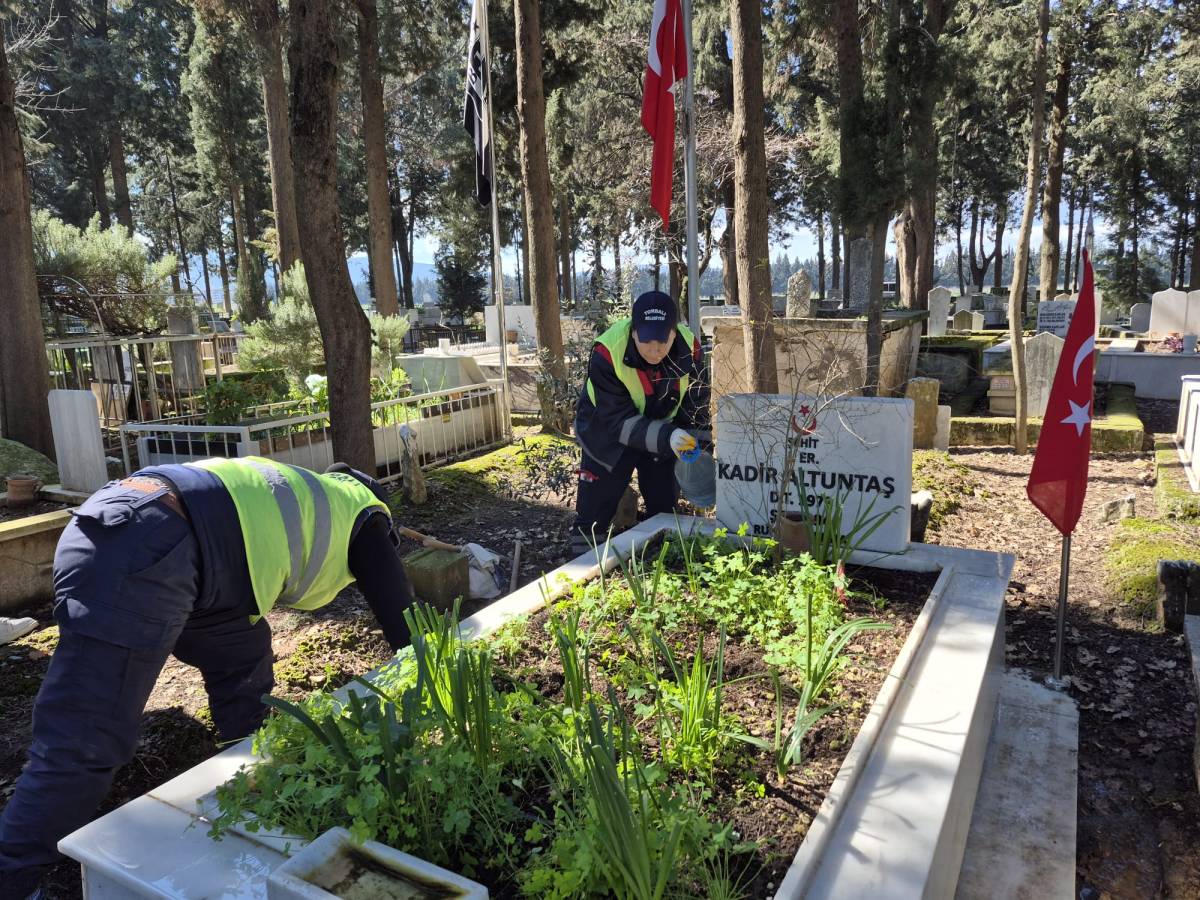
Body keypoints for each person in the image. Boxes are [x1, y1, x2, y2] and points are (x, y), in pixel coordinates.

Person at [0, 457, 415, 899]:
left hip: (171, 542)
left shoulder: (315, 493)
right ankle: (12, 876)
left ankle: (253, 773)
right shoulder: (366, 516)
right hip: (146, 547)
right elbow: (407, 626)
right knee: (86, 740)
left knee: (243, 652)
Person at [571, 290, 709, 553]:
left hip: (663, 430)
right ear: (633, 331)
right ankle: (582, 564)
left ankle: (663, 558)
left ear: (674, 333)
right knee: (594, 512)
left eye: (662, 341)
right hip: (606, 432)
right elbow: (617, 420)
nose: (654, 350)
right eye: (646, 341)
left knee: (664, 505)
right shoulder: (607, 352)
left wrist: (699, 452)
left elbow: (696, 406)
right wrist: (668, 437)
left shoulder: (690, 351)